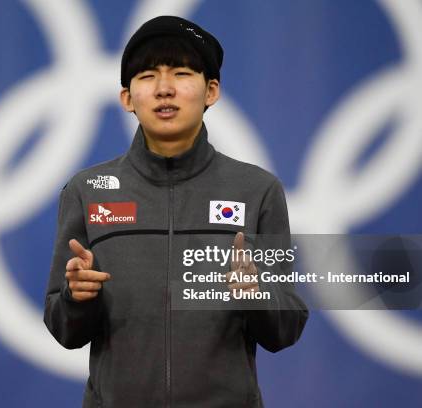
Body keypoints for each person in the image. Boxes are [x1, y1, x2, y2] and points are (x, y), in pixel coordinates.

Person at [44, 15, 308, 408]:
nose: (164, 89)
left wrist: (256, 295)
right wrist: (76, 297)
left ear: (211, 91)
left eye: (182, 73)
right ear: (127, 98)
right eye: (148, 76)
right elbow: (64, 329)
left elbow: (284, 329)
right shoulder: (86, 190)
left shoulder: (257, 190)